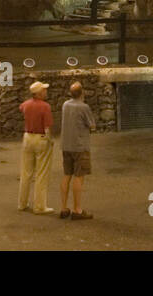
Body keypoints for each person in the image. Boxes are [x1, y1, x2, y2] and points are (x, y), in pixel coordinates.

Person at [59, 81, 97, 219]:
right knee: (79, 177)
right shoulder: (84, 107)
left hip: (66, 145)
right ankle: (77, 210)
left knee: (66, 175)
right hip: (80, 146)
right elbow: (92, 125)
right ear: (82, 93)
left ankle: (63, 208)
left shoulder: (65, 105)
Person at [18, 81, 55, 214]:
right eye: (44, 90)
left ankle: (22, 203)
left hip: (27, 137)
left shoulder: (26, 105)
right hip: (40, 138)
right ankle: (39, 206)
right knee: (41, 173)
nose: (46, 92)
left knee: (26, 172)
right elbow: (47, 127)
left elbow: (21, 108)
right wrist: (50, 141)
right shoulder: (45, 106)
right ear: (39, 93)